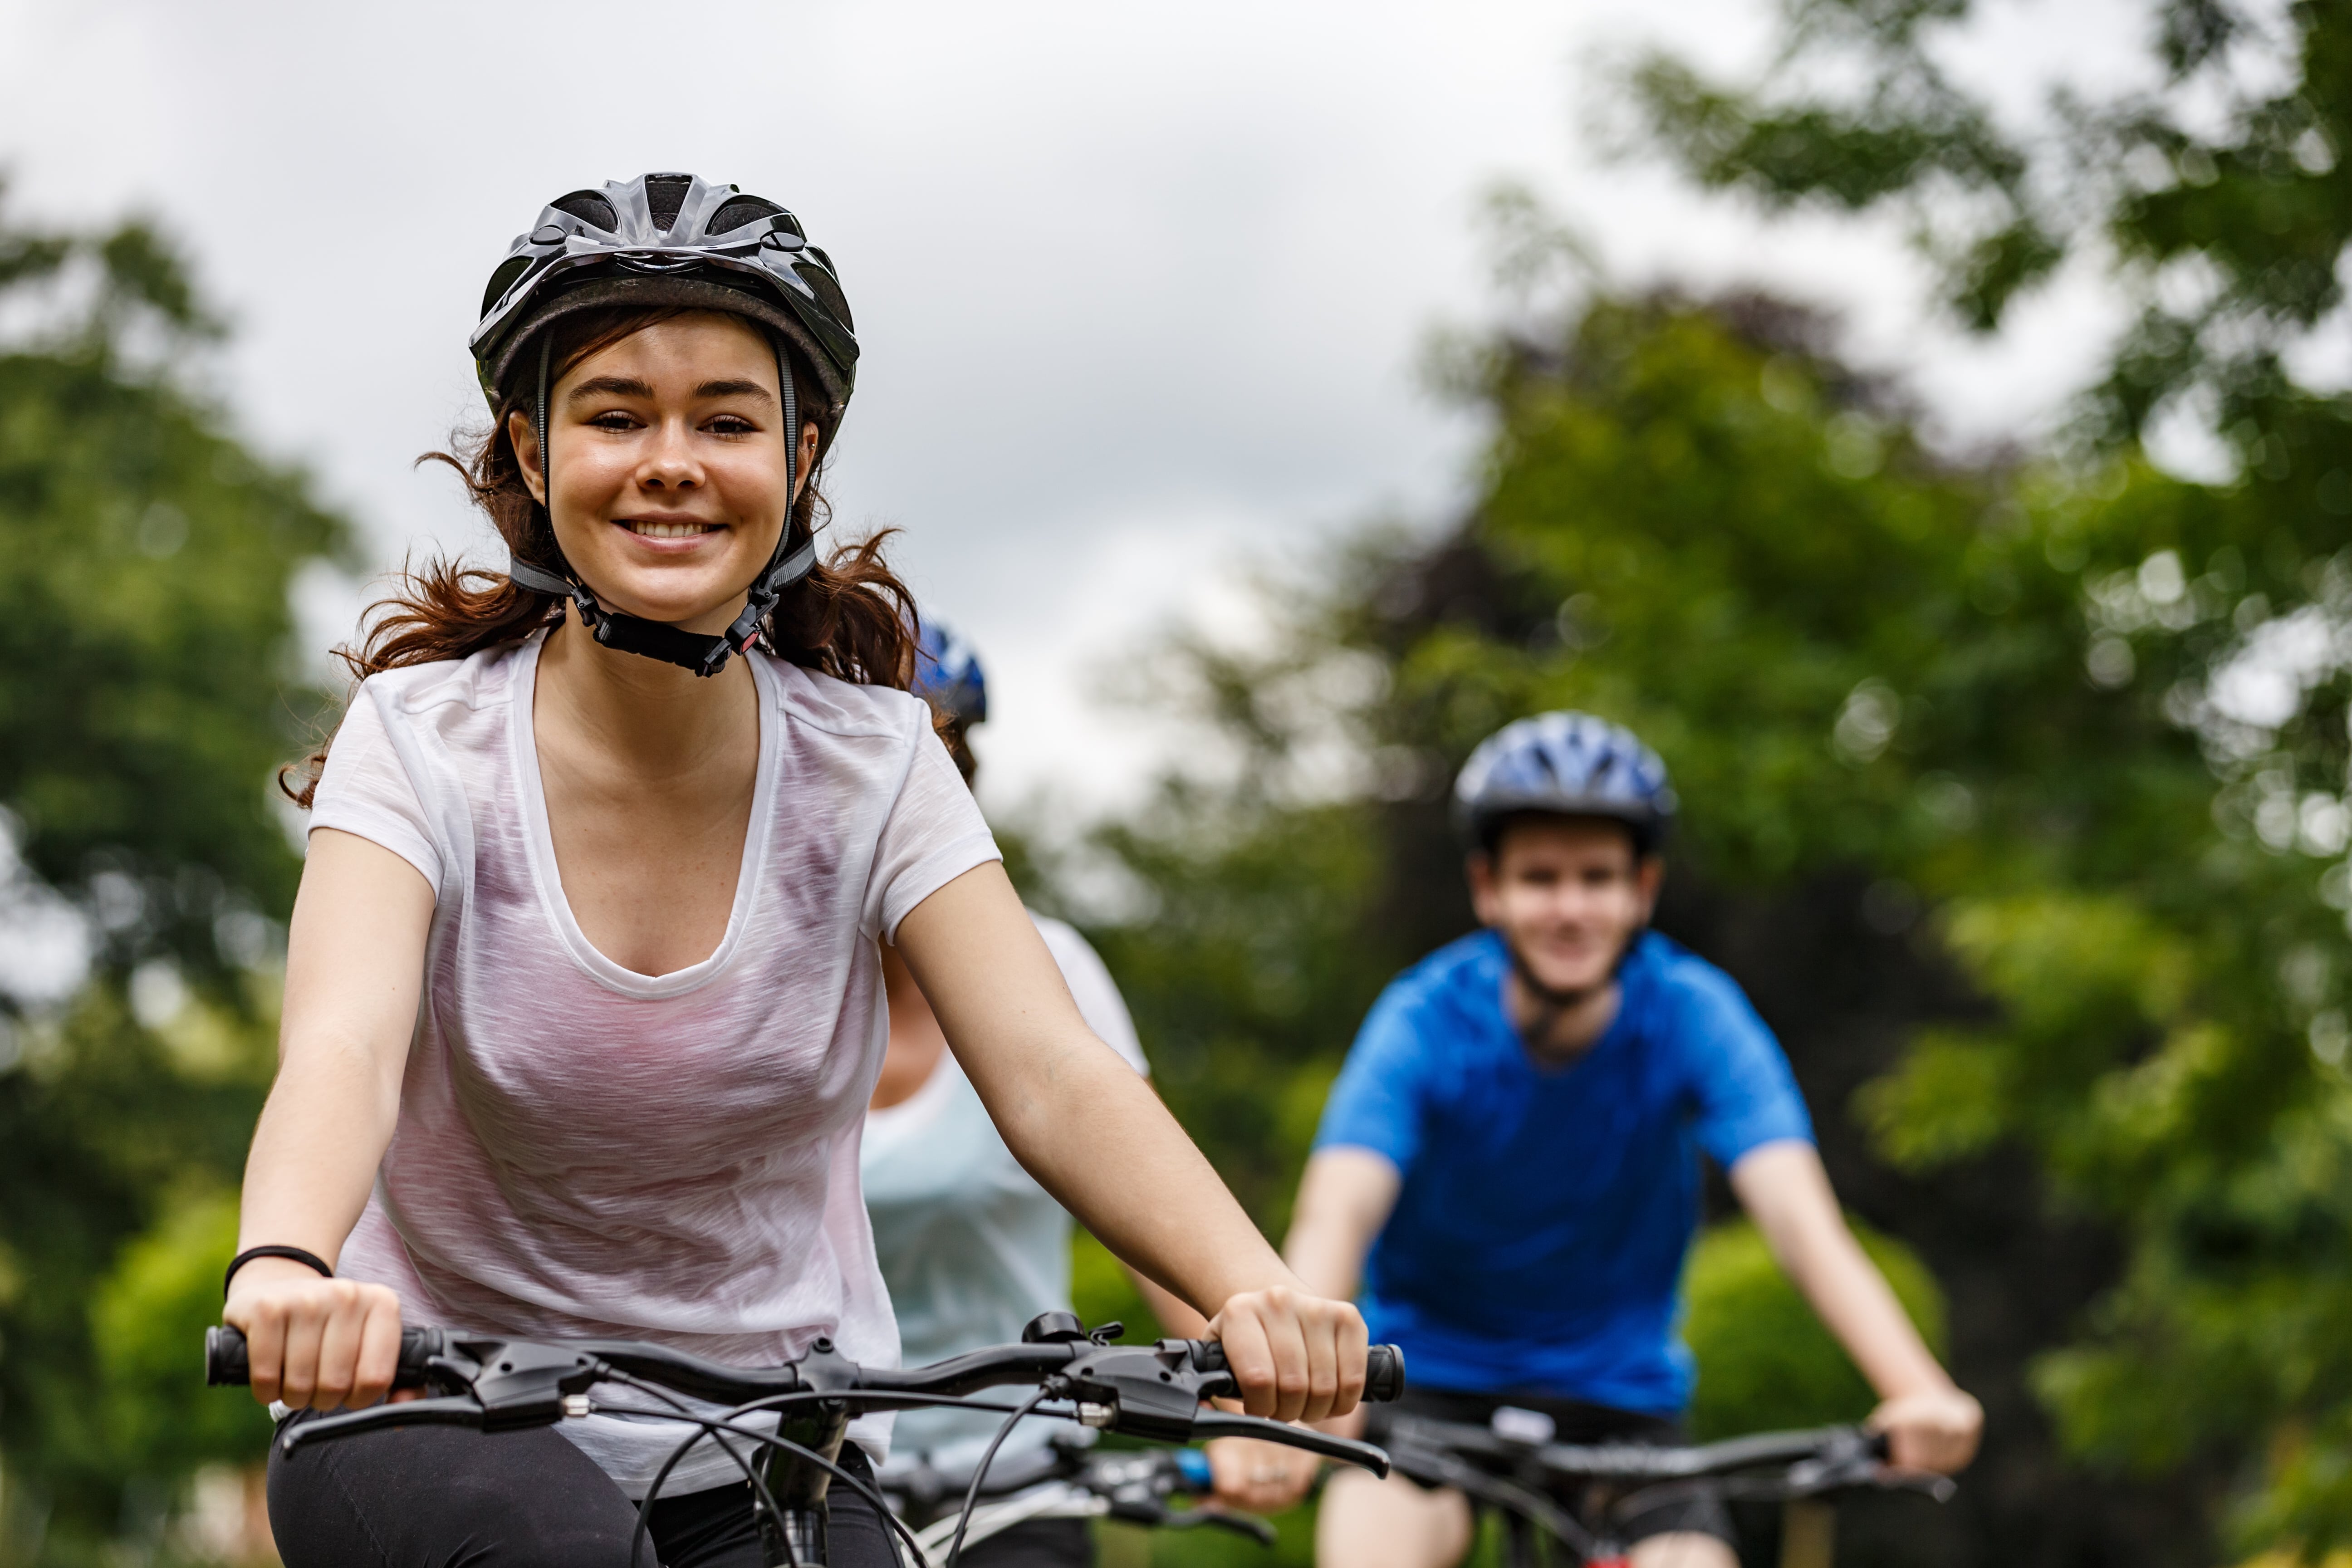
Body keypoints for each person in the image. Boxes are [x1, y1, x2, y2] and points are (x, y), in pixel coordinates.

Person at [220, 172, 1369, 1568]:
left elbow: (1053, 1070)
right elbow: (341, 1048)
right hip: (435, 1409)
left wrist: (1253, 1294)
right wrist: (285, 1264)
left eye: (727, 420)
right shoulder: (419, 743)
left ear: (799, 454)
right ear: (530, 449)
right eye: (615, 415)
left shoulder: (876, 764)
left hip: (774, 1442)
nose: (672, 462)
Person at [1279, 712, 1983, 1568]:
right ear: (1488, 888)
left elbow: (1804, 1224)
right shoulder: (1424, 1019)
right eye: (1540, 878)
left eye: (1598, 878)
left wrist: (1916, 1389)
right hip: (1426, 1383)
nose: (1570, 908)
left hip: (1621, 1402)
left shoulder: (1694, 1013)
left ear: (1642, 889)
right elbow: (1338, 1212)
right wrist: (1298, 1384)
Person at [863, 618, 1222, 1567]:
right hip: (803, 1479)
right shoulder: (757, 987)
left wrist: (1243, 1379)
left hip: (1018, 1482)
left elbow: (1143, 1195)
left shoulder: (1050, 967)